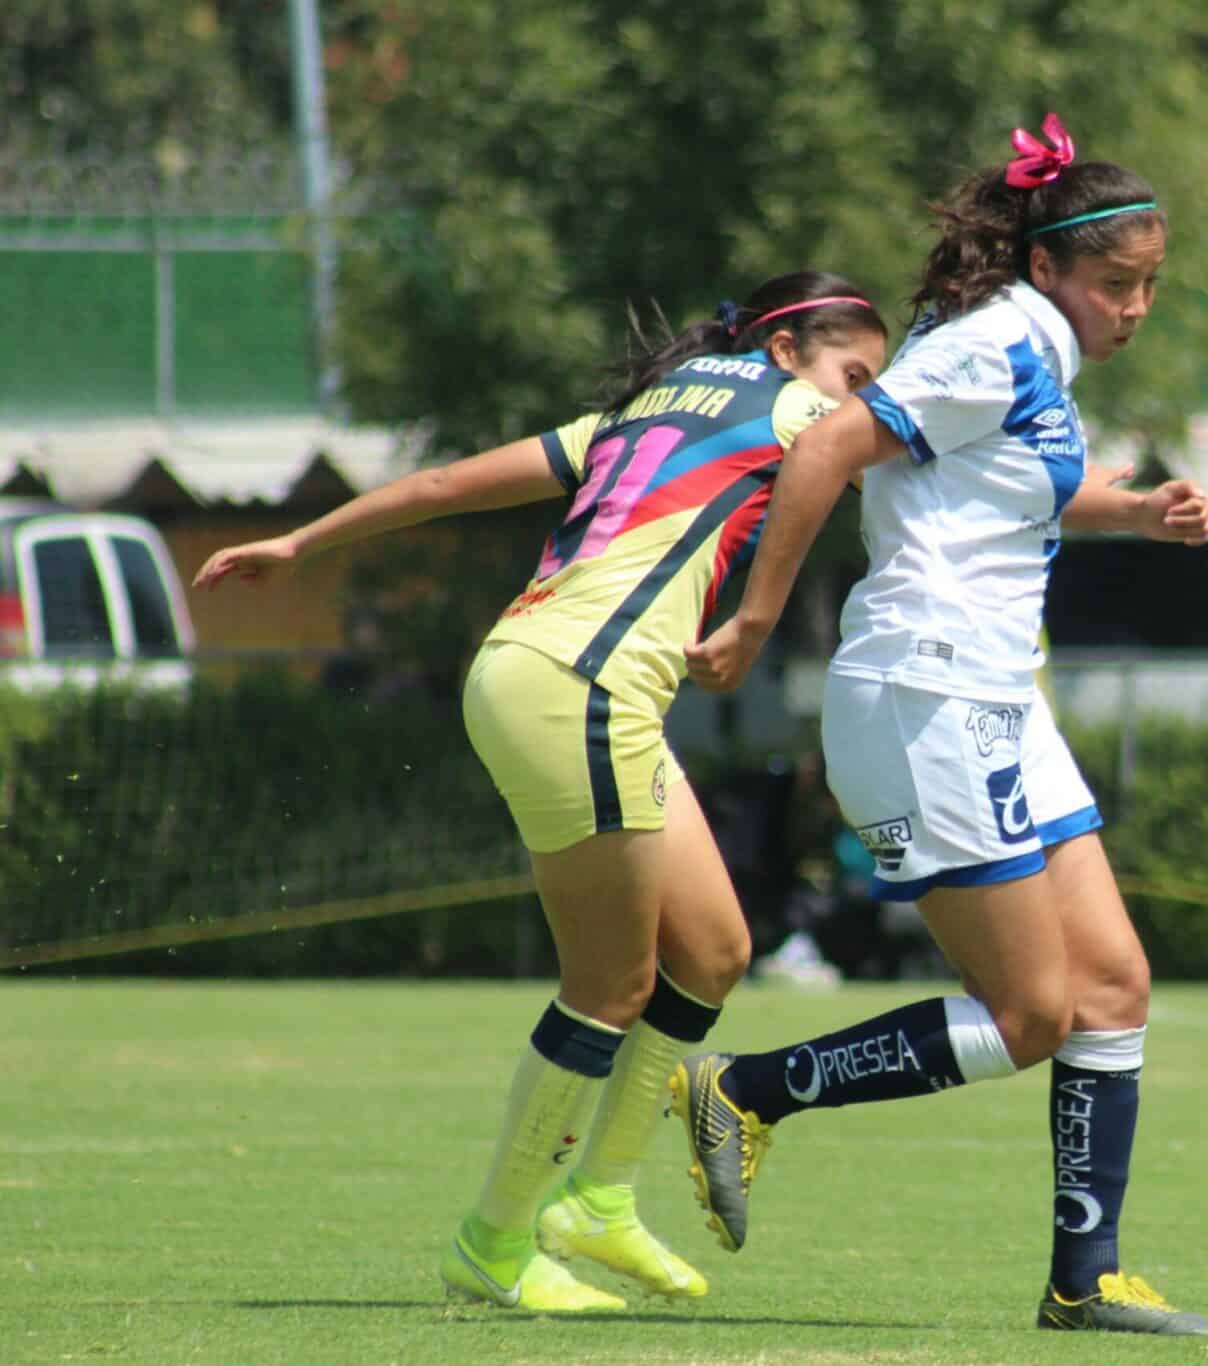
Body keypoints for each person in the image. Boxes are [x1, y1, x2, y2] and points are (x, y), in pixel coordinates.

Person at [190, 273, 891, 1313]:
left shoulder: (639, 414)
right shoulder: (796, 412)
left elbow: (440, 488)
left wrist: (302, 542)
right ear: (787, 354)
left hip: (546, 674)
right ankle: (495, 1239)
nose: (860, 399)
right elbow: (920, 447)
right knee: (611, 985)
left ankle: (599, 1200)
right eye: (855, 374)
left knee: (713, 951)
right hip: (582, 688)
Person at [677, 114, 1208, 1335]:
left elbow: (999, 486)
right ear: (1047, 269)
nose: (1135, 308)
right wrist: (760, 618)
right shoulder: (996, 344)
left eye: (1149, 286)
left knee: (1114, 985)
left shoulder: (1030, 354)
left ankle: (1086, 1280)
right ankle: (746, 1089)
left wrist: (1134, 513)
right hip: (926, 692)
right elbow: (824, 451)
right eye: (1115, 284)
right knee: (1033, 1013)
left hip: (989, 696)